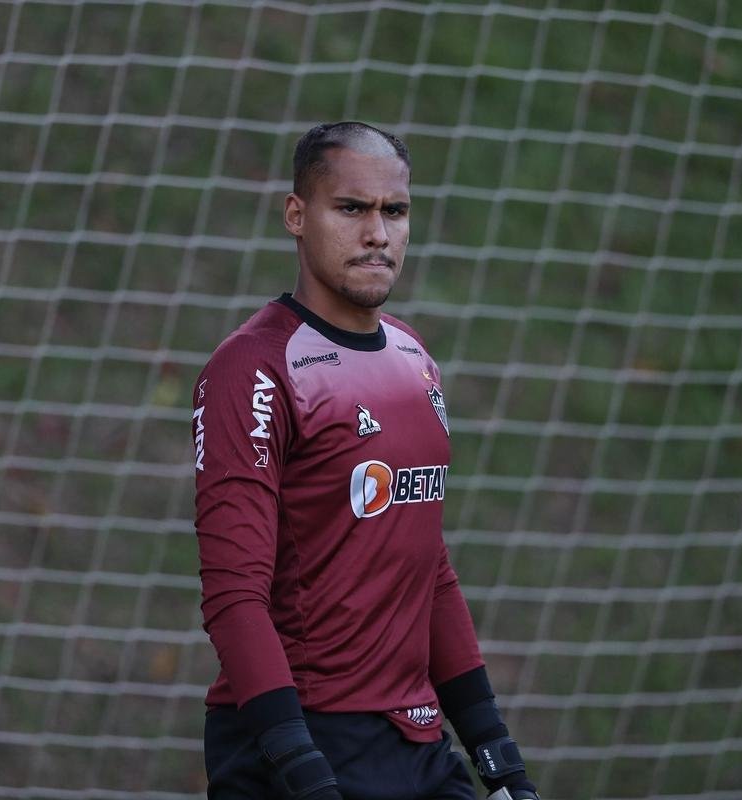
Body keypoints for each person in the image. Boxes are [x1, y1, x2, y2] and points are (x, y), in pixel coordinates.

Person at [191, 121, 542, 800]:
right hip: (294, 741)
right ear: (296, 215)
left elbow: (425, 566)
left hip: (416, 742)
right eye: (351, 208)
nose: (377, 233)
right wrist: (298, 765)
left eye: (395, 211)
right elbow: (233, 595)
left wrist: (496, 757)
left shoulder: (412, 358)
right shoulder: (252, 369)